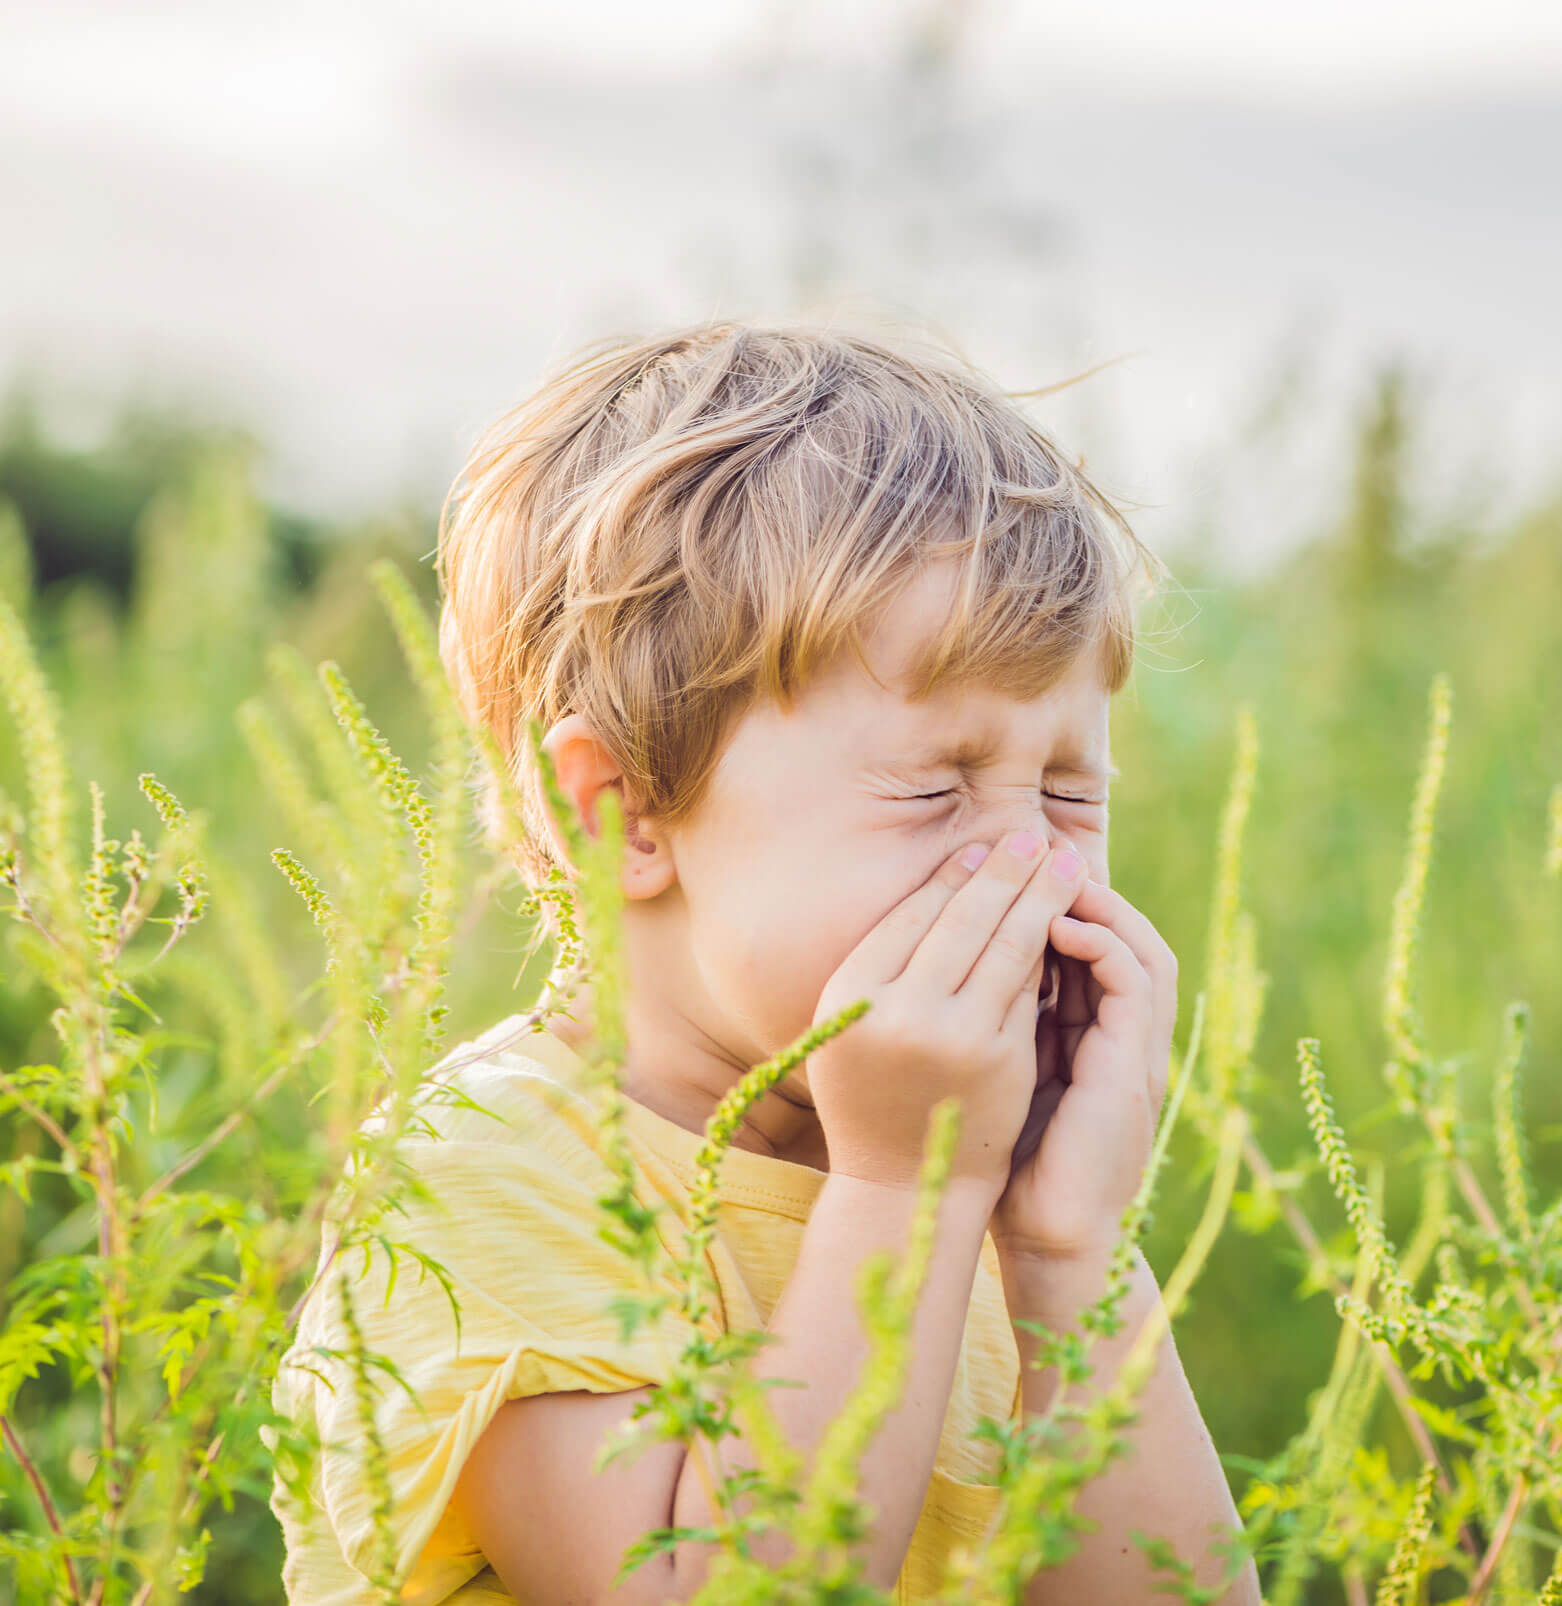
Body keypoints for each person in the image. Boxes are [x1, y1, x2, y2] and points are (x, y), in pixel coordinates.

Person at [265, 321, 1262, 1604]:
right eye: (935, 787)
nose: (1034, 869)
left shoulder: (972, 1175)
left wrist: (1075, 1249)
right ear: (620, 814)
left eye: (1071, 792)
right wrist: (905, 1194)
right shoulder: (485, 1178)